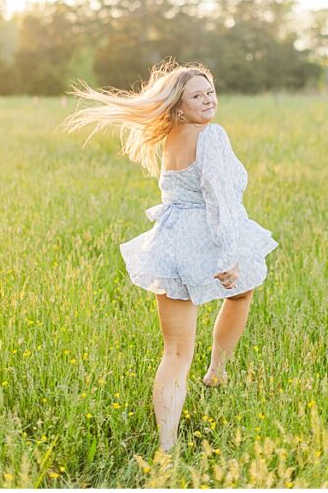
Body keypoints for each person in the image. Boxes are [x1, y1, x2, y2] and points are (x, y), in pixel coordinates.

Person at [61, 59, 279, 454]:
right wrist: (230, 255)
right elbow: (219, 198)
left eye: (210, 91)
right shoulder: (211, 136)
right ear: (179, 106)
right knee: (238, 294)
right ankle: (216, 371)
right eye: (197, 95)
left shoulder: (172, 135)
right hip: (207, 237)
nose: (208, 99)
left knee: (179, 349)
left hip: (171, 242)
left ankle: (167, 445)